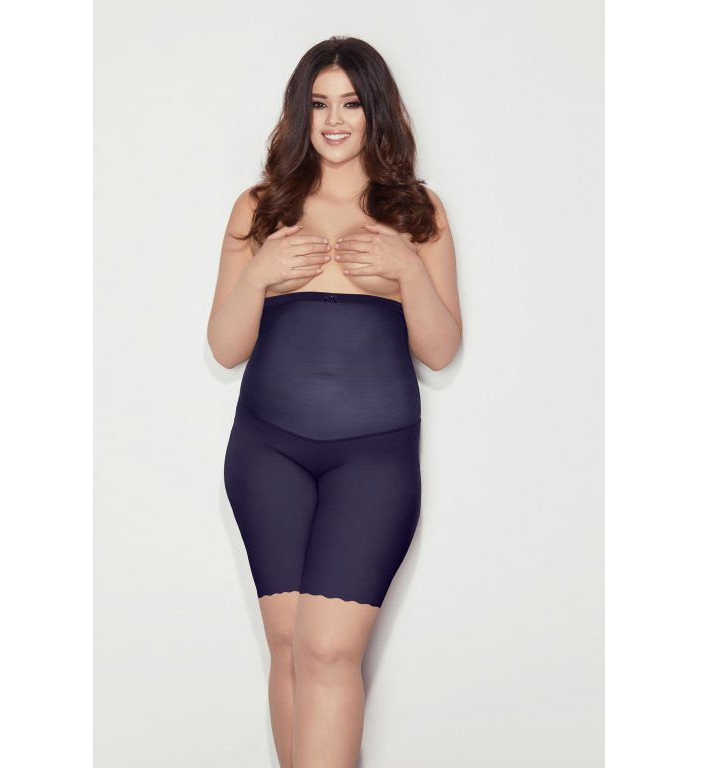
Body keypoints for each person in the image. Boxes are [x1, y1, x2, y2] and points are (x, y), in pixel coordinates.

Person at [207, 35, 462, 768]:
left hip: (373, 460)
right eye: (319, 104)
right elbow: (224, 346)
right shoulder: (260, 208)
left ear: (376, 111)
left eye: (351, 103)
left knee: (326, 651)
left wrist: (408, 269)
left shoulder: (417, 211)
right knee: (290, 647)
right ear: (300, 113)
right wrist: (260, 274)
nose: (335, 120)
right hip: (267, 453)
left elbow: (441, 348)